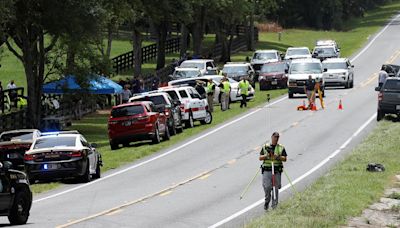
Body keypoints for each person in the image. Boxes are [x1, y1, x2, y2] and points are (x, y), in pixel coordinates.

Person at [259, 132, 287, 210]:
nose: (276, 138)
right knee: (267, 187)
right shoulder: (265, 147)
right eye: (275, 137)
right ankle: (267, 200)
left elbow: (285, 159)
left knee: (276, 188)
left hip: (276, 170)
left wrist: (277, 157)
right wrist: (267, 155)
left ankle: (274, 206)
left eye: (277, 137)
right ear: (271, 137)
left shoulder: (281, 147)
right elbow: (260, 158)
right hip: (267, 170)